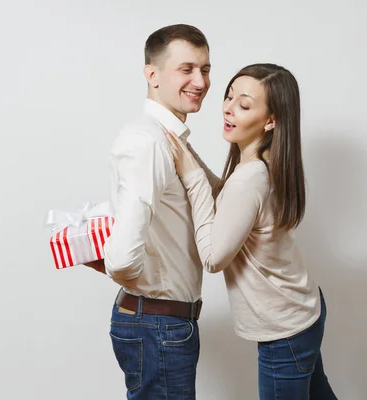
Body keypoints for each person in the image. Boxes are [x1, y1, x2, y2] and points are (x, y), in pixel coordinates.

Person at [166, 63, 338, 400]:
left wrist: (189, 175)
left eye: (244, 105)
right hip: (302, 310)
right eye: (229, 97)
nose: (228, 108)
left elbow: (213, 258)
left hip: (285, 329)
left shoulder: (251, 178)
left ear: (271, 120)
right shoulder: (263, 163)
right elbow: (227, 200)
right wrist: (187, 155)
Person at [85, 24, 211, 399]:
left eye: (205, 69)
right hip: (158, 323)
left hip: (162, 323)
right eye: (186, 69)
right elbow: (122, 258)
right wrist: (145, 288)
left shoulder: (167, 138)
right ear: (152, 74)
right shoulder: (149, 141)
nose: (201, 81)